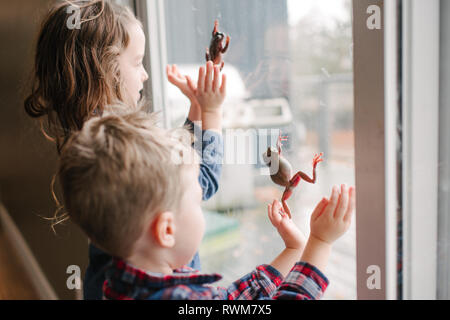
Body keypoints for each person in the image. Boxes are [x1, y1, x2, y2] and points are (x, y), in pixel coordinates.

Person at [23, 0, 225, 299]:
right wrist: (213, 113)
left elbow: (174, 168)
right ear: (104, 68)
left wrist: (196, 109)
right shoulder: (124, 146)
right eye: (136, 62)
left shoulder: (95, 140)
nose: (144, 74)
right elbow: (201, 181)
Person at [57, 110, 356, 300]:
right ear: (166, 230)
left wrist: (293, 251)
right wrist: (320, 243)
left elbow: (228, 301)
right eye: (197, 201)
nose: (202, 204)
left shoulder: (127, 281)